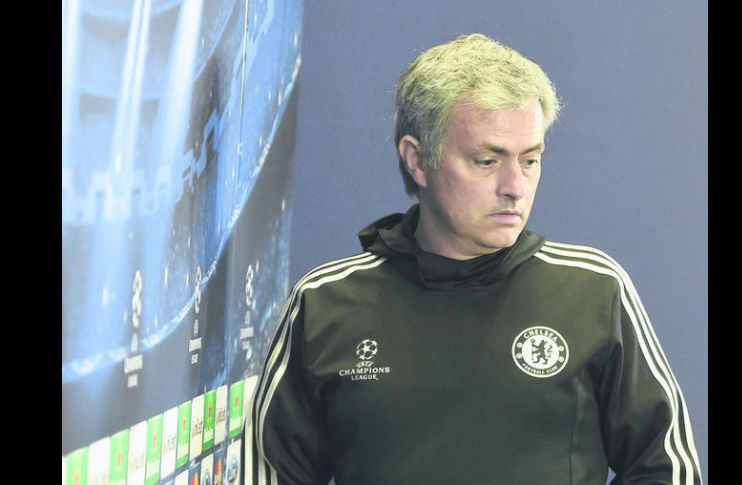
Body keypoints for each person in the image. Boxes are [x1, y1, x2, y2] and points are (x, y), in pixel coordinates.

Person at [239, 33, 702, 485]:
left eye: (530, 160)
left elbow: (666, 469)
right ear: (418, 160)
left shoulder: (594, 290)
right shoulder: (324, 302)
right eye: (487, 160)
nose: (515, 187)